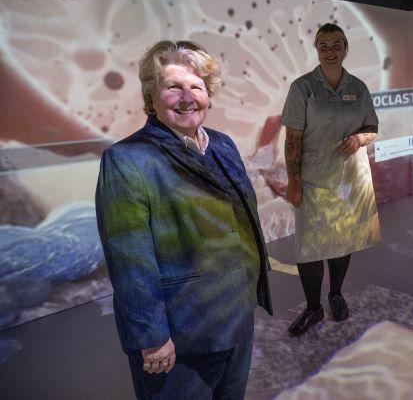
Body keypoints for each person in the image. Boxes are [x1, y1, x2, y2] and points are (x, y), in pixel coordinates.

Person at [95, 40, 272, 399]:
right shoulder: (127, 159)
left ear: (208, 95)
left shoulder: (221, 144)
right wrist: (152, 337)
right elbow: (130, 259)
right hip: (182, 334)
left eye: (196, 86)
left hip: (235, 317)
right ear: (152, 97)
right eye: (173, 86)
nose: (187, 96)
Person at [280, 23, 380, 336]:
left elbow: (372, 127)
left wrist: (360, 138)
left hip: (350, 179)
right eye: (324, 45)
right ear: (317, 49)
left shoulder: (358, 87)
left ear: (345, 48)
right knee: (309, 246)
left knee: (343, 239)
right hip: (313, 178)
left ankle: (336, 293)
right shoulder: (303, 88)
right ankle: (313, 308)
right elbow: (293, 138)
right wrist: (293, 180)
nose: (330, 51)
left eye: (336, 44)